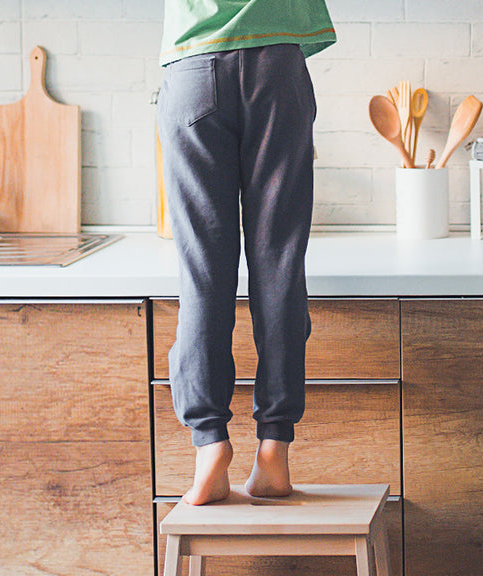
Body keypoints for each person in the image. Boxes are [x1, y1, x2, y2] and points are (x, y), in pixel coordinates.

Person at [156, 0, 335, 506]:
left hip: (193, 62)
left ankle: (209, 446)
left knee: (203, 271)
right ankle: (274, 448)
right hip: (276, 66)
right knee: (279, 263)